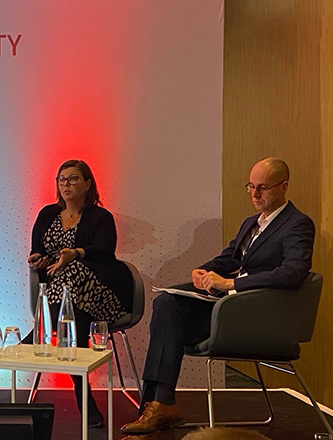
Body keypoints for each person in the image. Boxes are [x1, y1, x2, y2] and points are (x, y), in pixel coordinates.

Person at [120, 158, 315, 436]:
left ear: (283, 187)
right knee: (166, 303)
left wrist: (231, 282)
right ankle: (161, 403)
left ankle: (159, 405)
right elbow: (229, 258)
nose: (255, 194)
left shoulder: (298, 224)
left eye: (263, 187)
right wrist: (204, 271)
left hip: (260, 316)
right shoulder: (252, 223)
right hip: (233, 308)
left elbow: (293, 273)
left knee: (169, 317)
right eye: (250, 186)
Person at [26, 159, 133, 428]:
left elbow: (105, 251)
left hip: (103, 295)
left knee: (73, 273)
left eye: (73, 179)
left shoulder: (101, 217)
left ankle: (38, 332)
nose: (66, 184)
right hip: (64, 298)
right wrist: (39, 260)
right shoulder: (47, 214)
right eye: (61, 179)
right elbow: (38, 250)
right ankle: (84, 398)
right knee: (73, 311)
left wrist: (75, 254)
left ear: (88, 184)